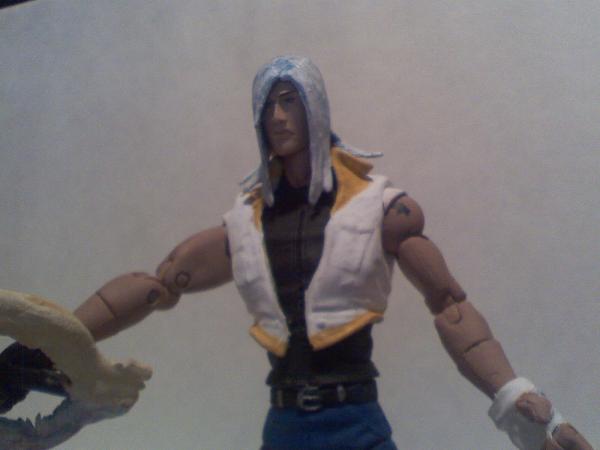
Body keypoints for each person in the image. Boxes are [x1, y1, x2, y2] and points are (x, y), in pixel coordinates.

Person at [0, 56, 593, 450]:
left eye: (289, 100)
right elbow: (160, 285)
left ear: (315, 107)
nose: (277, 116)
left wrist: (518, 401)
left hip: (358, 422)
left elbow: (450, 306)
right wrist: (38, 350)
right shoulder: (250, 224)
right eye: (267, 105)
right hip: (285, 424)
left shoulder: (381, 211)